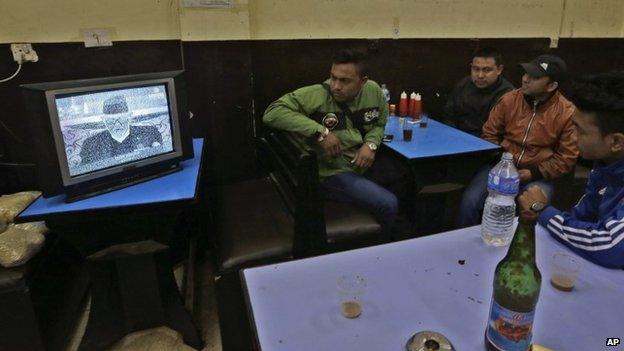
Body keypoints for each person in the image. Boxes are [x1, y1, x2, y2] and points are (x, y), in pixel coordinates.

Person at [263, 49, 398, 238]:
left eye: (344, 81)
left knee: (407, 178)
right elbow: (272, 113)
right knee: (388, 203)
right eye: (333, 78)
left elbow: (380, 123)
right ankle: (380, 252)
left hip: (362, 164)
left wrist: (371, 145)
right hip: (333, 173)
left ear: (363, 81)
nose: (336, 86)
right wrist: (321, 132)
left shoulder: (374, 91)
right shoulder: (318, 94)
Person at [456, 54, 578, 228]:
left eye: (534, 77)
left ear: (552, 85)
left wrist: (533, 173)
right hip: (500, 167)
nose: (526, 79)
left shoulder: (567, 113)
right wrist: (501, 163)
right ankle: (463, 247)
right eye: (526, 74)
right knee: (470, 201)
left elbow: (567, 157)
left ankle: (519, 250)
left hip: (538, 175)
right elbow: (489, 133)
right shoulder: (509, 99)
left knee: (532, 209)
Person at [519, 71, 624, 269]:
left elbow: (611, 246)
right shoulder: (605, 164)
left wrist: (541, 210)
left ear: (616, 142)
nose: (572, 136)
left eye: (579, 130)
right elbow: (582, 216)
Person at [444, 47, 514, 136]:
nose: (480, 75)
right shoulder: (463, 84)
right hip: (457, 137)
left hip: (487, 143)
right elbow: (449, 116)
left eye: (487, 70)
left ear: (499, 70)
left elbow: (499, 133)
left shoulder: (508, 94)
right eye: (476, 69)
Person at [79, 95, 162, 165]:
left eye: (121, 118)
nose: (117, 124)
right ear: (103, 120)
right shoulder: (90, 145)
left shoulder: (150, 133)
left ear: (129, 117)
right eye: (111, 120)